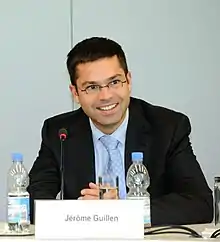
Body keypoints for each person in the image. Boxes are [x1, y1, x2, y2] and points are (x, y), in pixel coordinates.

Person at [27, 37, 213, 226]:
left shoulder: (167, 127)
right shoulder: (60, 133)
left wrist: (123, 211)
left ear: (128, 81)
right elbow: (31, 201)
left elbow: (201, 204)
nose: (106, 96)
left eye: (114, 82)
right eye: (92, 87)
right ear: (75, 93)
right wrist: (82, 212)